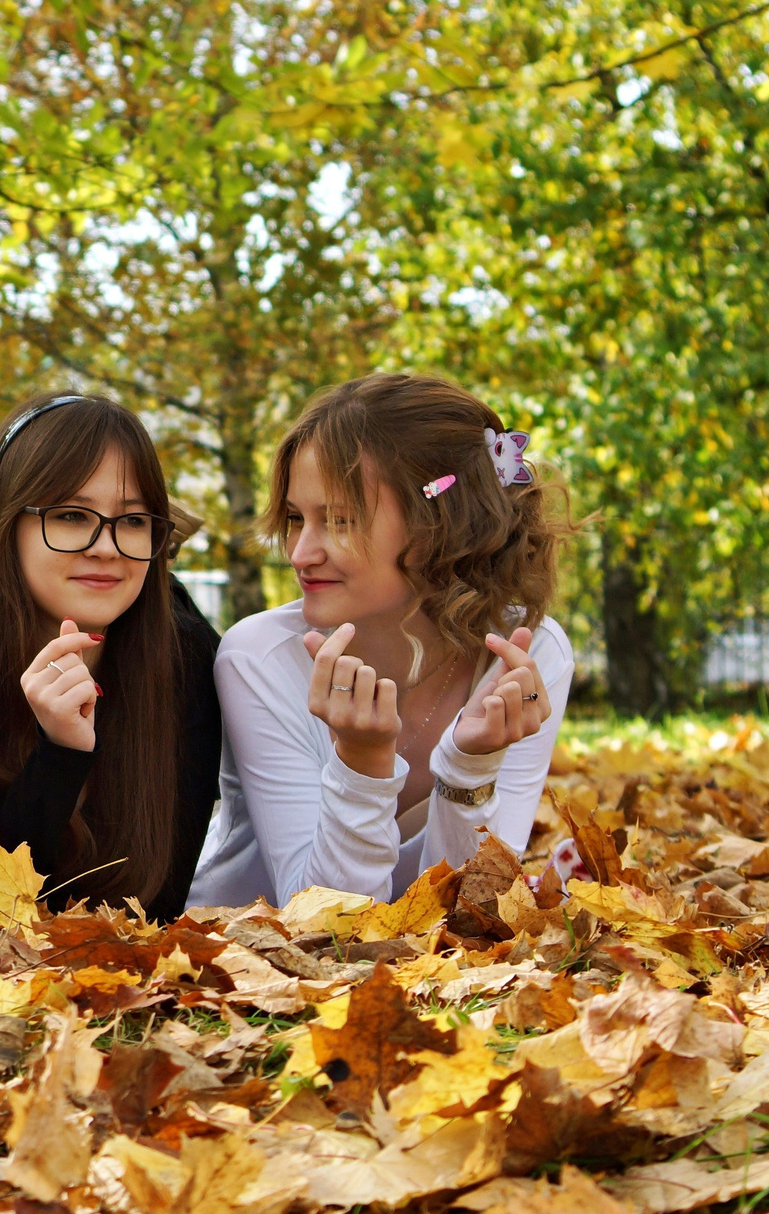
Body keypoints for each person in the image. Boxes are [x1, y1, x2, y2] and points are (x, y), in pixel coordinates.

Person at [189, 372, 574, 907]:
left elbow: (476, 911)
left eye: (340, 521)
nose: (300, 553)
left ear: (439, 526)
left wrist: (471, 768)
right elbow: (326, 926)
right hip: (234, 968)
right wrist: (361, 764)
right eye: (297, 519)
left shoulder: (524, 655)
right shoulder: (261, 657)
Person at [0, 393, 223, 914]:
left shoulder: (186, 657)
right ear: (5, 525)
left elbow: (156, 909)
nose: (107, 546)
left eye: (135, 520)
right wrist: (59, 757)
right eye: (73, 515)